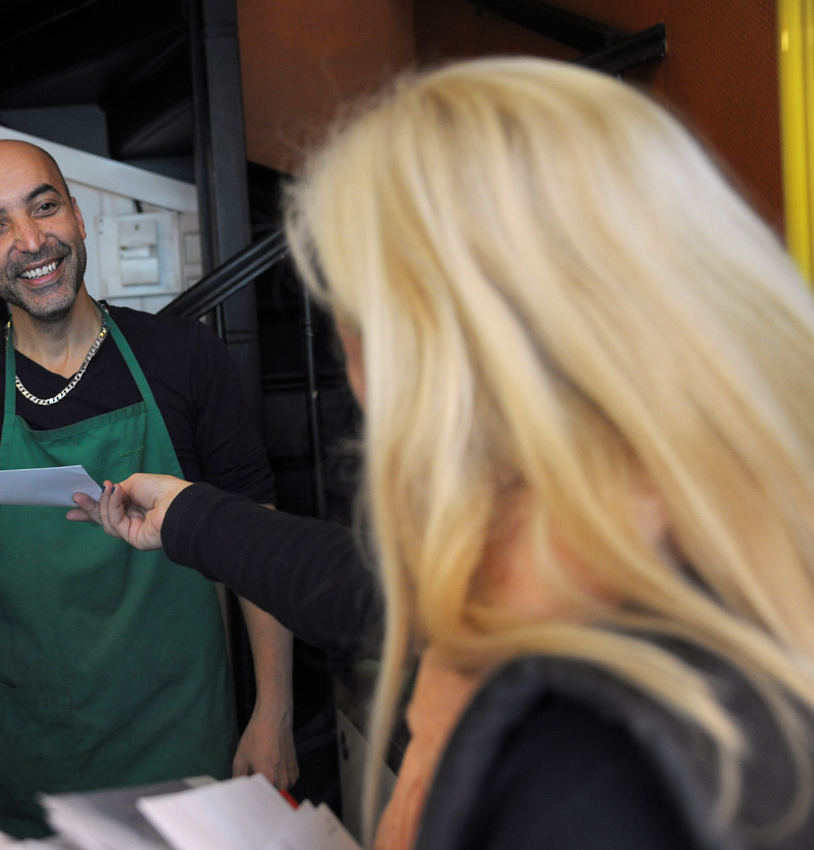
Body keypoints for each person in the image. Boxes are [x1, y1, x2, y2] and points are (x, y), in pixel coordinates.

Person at [70, 57, 814, 849]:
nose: (354, 372)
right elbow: (373, 589)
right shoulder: (674, 525)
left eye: (355, 318)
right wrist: (188, 515)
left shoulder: (581, 759)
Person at [0, 139, 298, 838]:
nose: (30, 241)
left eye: (44, 207)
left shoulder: (184, 357)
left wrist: (274, 711)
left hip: (183, 741)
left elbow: (256, 535)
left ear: (78, 217)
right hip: (27, 758)